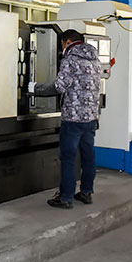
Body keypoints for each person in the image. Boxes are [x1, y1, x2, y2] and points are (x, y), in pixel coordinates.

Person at [29, 29, 101, 209]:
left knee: (68, 157)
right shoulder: (95, 59)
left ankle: (66, 197)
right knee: (88, 155)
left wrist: (34, 89)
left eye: (61, 44)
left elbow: (59, 86)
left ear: (67, 41)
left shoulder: (70, 59)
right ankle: (86, 192)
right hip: (90, 117)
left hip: (73, 119)